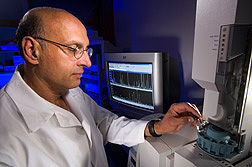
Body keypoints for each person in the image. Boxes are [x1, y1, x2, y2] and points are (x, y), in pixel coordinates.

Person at [0, 7, 201, 167]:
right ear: (32, 51)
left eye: (86, 50)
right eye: (74, 49)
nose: (87, 62)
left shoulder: (70, 91)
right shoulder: (6, 140)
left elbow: (104, 123)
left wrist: (157, 127)